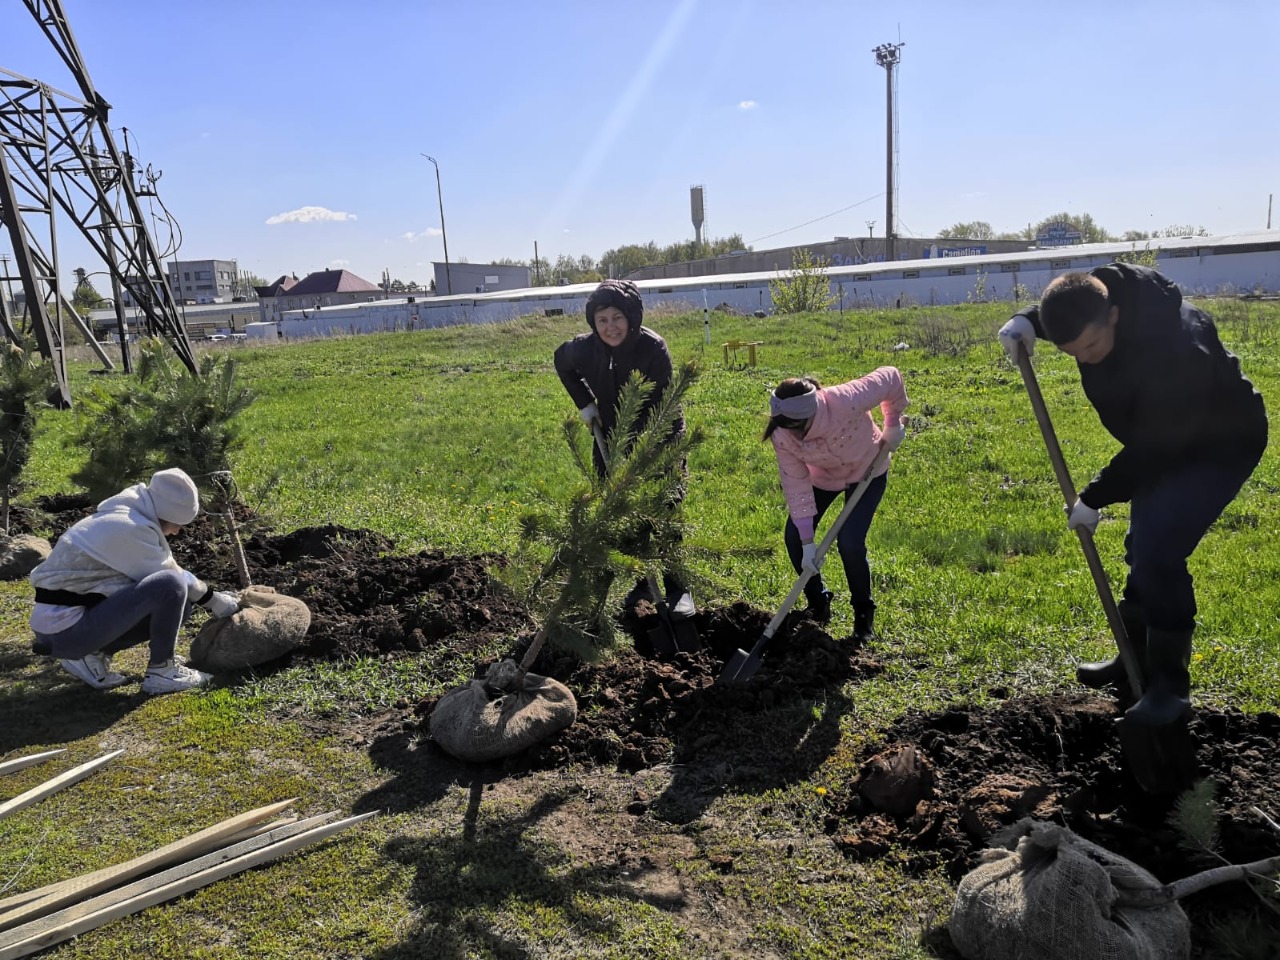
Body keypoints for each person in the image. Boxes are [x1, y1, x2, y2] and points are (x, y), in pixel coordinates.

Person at [999, 263, 1267, 728]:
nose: (1084, 359)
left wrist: (1095, 497)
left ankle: (1168, 686)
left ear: (1116, 317)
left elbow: (1158, 446)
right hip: (1162, 441)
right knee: (1141, 543)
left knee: (1159, 547)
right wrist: (1026, 320)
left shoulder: (1180, 347)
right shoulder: (1098, 302)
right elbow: (1072, 302)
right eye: (1071, 353)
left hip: (1220, 444)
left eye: (1091, 347)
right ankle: (1135, 656)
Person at [29, 467, 242, 694]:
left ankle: (89, 656)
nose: (178, 531)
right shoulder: (128, 528)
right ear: (166, 513)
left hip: (60, 627)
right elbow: (173, 578)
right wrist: (216, 601)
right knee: (170, 586)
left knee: (182, 605)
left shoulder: (123, 516)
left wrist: (210, 596)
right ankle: (162, 672)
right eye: (178, 523)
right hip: (66, 631)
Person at [553, 278, 693, 618]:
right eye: (602, 320)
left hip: (659, 437)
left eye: (617, 317)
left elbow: (661, 404)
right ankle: (642, 583)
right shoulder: (585, 348)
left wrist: (642, 456)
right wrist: (585, 404)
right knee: (621, 511)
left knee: (664, 509)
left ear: (631, 316)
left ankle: (678, 586)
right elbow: (561, 361)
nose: (610, 326)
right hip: (609, 438)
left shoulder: (652, 348)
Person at [763, 370, 908, 641]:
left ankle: (863, 614)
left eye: (794, 426)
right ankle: (819, 603)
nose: (790, 433)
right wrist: (807, 542)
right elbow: (796, 483)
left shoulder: (845, 400)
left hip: (868, 469)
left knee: (850, 542)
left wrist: (893, 424)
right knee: (794, 537)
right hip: (824, 478)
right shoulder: (782, 434)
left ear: (810, 415)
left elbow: (890, 377)